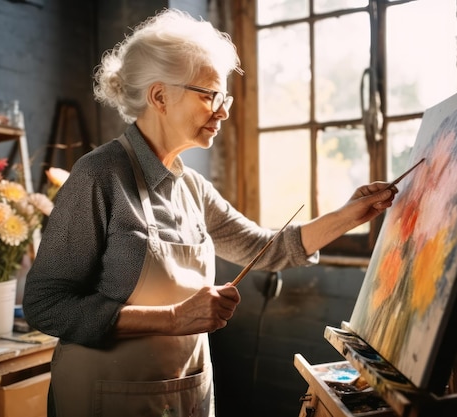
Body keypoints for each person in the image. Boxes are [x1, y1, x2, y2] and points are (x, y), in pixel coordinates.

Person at [22, 8, 397, 417]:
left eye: (224, 97)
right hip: (102, 399)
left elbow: (268, 249)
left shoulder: (194, 189)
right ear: (159, 96)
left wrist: (350, 214)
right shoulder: (99, 175)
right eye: (209, 95)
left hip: (183, 394)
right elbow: (46, 304)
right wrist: (173, 318)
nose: (223, 111)